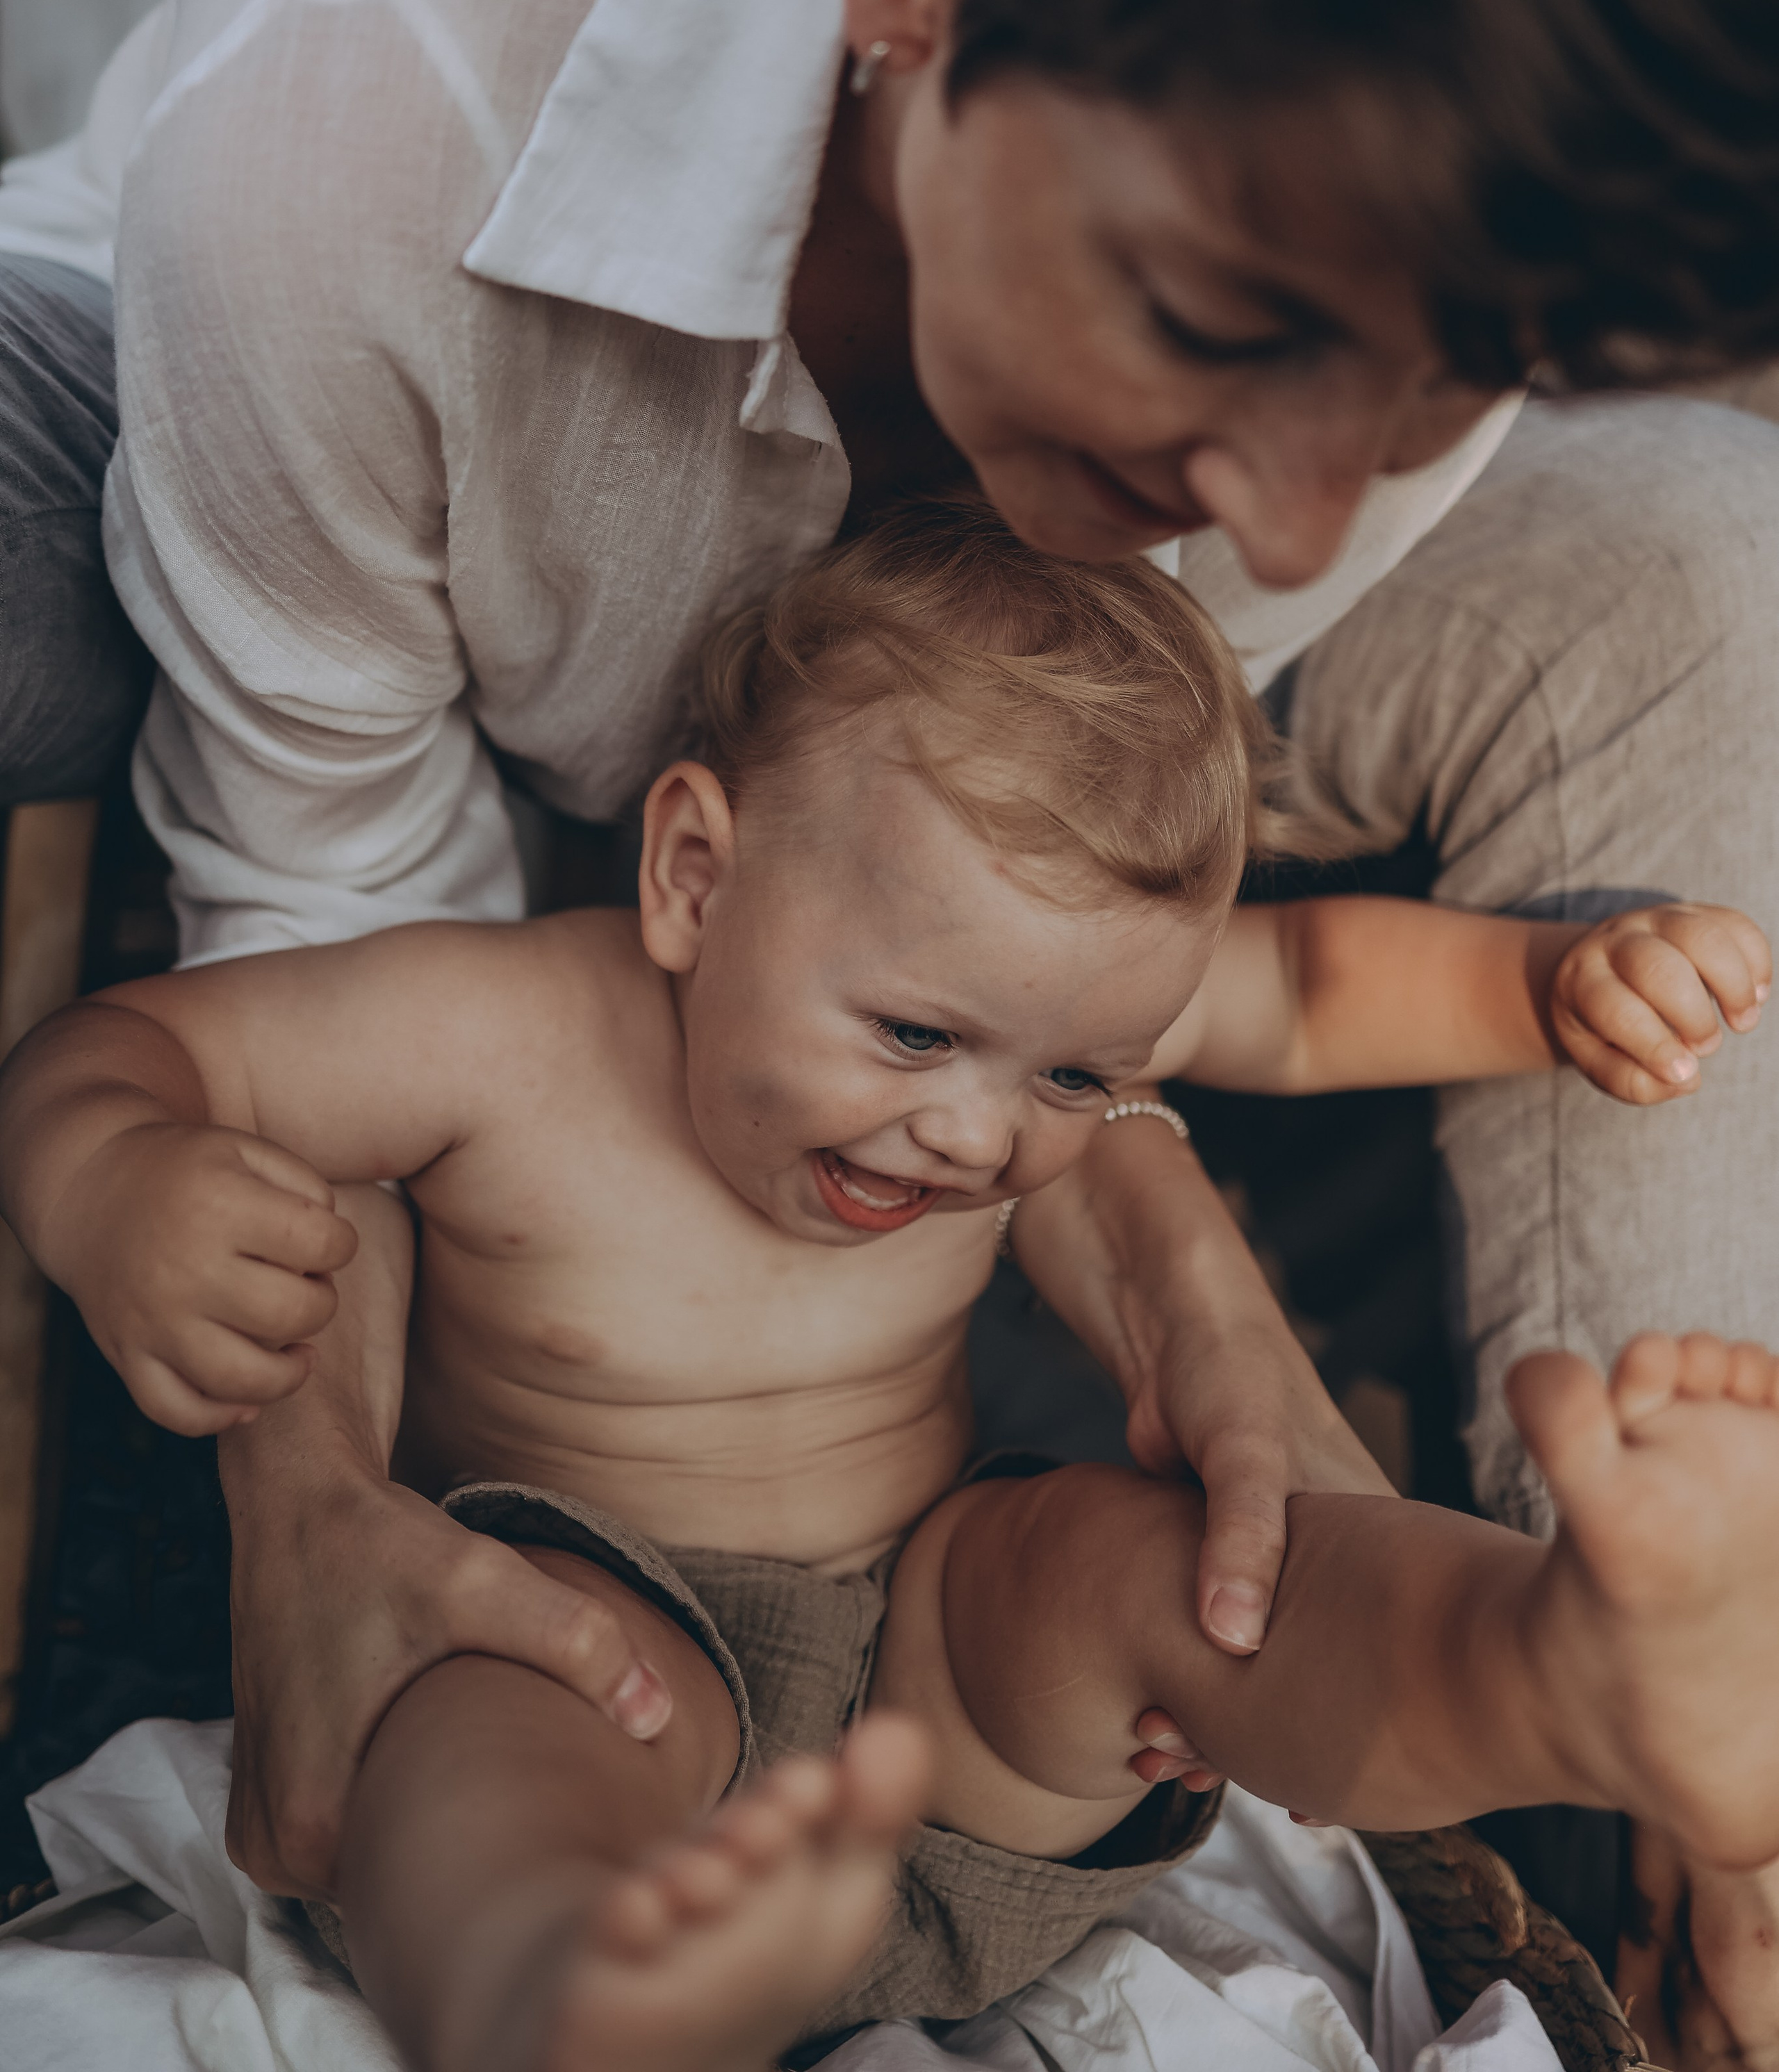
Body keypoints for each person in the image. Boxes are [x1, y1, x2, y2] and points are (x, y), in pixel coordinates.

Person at [5, 0, 1779, 2014]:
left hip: (934, 1477)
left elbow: (1112, 895)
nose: (1296, 525)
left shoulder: (1349, 178)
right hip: (329, 478)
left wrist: (1147, 1201)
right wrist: (314, 1517)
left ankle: (1612, 1688)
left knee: (1703, 565)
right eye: (1225, 320)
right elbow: (295, 932)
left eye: (1442, 379)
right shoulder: (379, 59)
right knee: (500, 1780)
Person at [3, 507, 1777, 2072]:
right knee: (483, 1701)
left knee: (1198, 1573)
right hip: (603, 1644)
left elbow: (1302, 988)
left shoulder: (1008, 1011)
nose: (976, 1135)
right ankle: (551, 1995)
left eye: (1076, 1080)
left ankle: (1564, 1671)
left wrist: (1551, 984)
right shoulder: (491, 1030)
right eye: (915, 1034)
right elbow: (127, 1053)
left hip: (940, 1671)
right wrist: (115, 1182)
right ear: (695, 875)